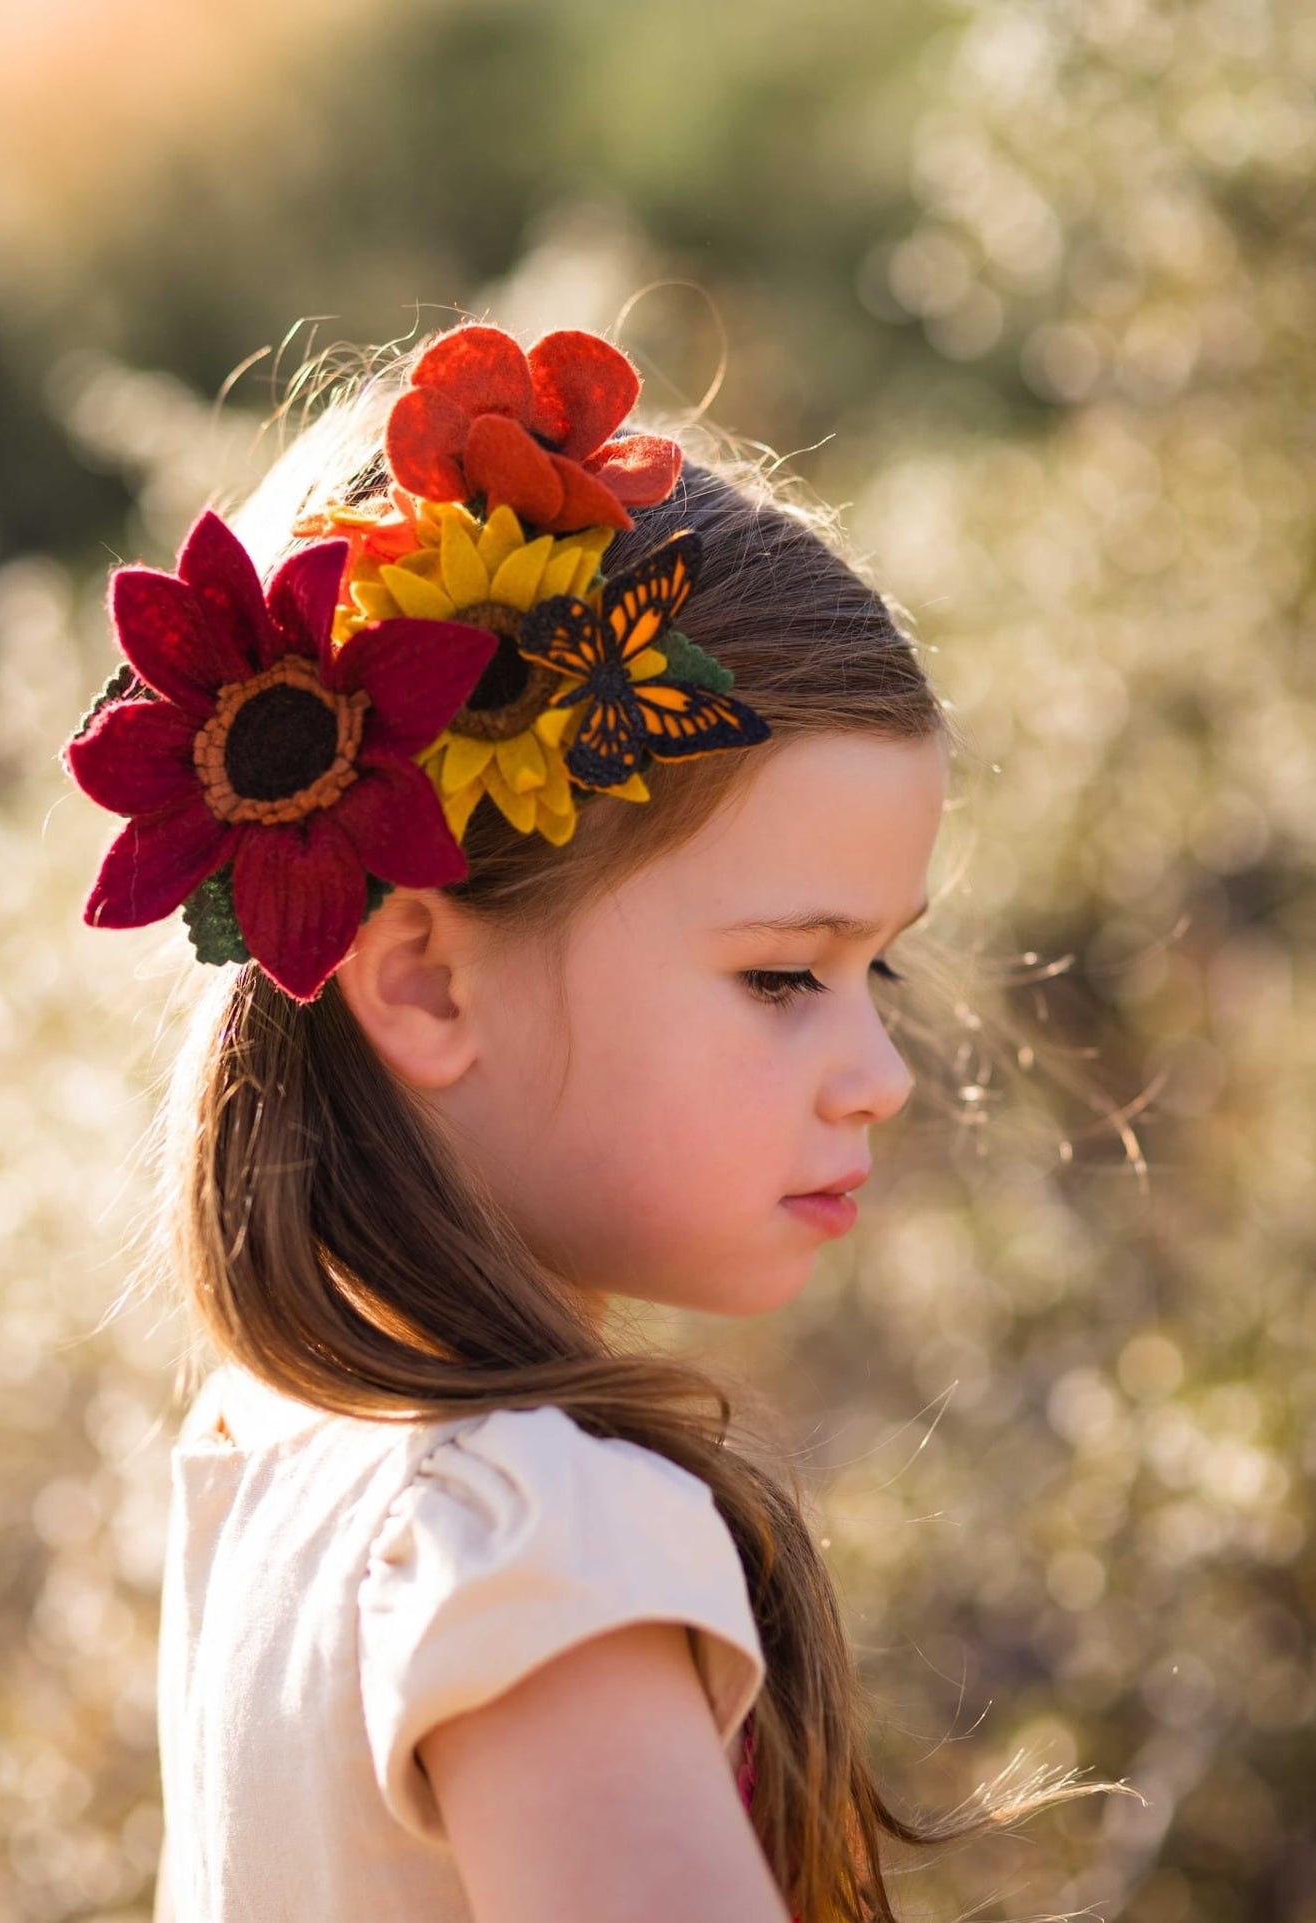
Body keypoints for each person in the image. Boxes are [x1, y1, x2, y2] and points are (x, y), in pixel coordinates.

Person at [62, 321, 1115, 1921]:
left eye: (873, 965)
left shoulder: (282, 1460)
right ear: (421, 983)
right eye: (780, 977)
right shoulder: (540, 1538)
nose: (878, 1072)